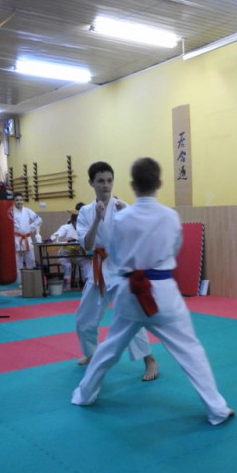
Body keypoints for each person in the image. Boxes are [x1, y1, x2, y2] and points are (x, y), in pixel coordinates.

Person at [71, 157, 234, 426]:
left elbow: (116, 254)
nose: (106, 185)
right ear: (159, 184)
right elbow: (175, 249)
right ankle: (216, 409)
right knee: (190, 349)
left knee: (109, 349)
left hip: (129, 290)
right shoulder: (170, 217)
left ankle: (84, 395)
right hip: (163, 291)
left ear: (132, 185)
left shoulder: (122, 217)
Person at [75, 161, 159, 381]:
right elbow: (87, 245)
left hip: (121, 268)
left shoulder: (123, 207)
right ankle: (91, 354)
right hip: (99, 270)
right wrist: (97, 218)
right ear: (91, 183)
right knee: (84, 318)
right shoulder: (85, 212)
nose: (106, 185)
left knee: (130, 316)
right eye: (100, 181)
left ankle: (149, 359)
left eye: (109, 180)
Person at [12, 192, 42, 285]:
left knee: (31, 260)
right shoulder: (10, 212)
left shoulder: (28, 211)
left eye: (21, 200)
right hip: (16, 239)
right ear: (13, 201)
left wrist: (30, 228)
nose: (19, 202)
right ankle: (21, 283)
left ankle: (31, 281)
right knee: (18, 262)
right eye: (17, 200)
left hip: (27, 239)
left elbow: (39, 220)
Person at [49, 215, 82, 290]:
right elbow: (54, 237)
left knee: (85, 264)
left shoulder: (83, 228)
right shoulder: (65, 228)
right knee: (67, 266)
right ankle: (66, 284)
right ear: (73, 221)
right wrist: (66, 239)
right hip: (64, 253)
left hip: (77, 253)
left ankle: (82, 284)